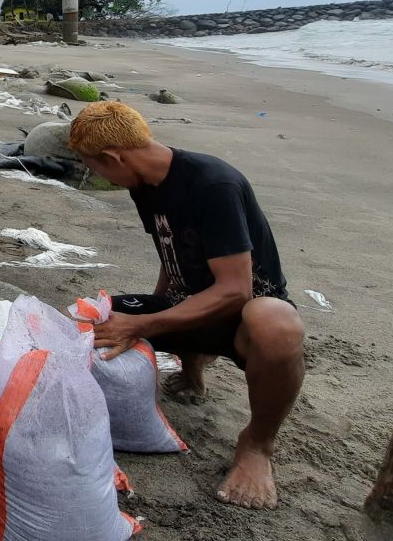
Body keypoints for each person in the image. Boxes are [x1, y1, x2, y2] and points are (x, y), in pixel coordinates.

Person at [68, 101, 304, 511]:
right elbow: (172, 255)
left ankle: (257, 445)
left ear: (113, 156)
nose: (100, 176)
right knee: (89, 320)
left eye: (96, 167)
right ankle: (193, 368)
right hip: (194, 304)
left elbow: (235, 291)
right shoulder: (143, 184)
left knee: (277, 322)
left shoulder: (213, 185)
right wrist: (151, 314)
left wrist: (145, 325)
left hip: (245, 322)